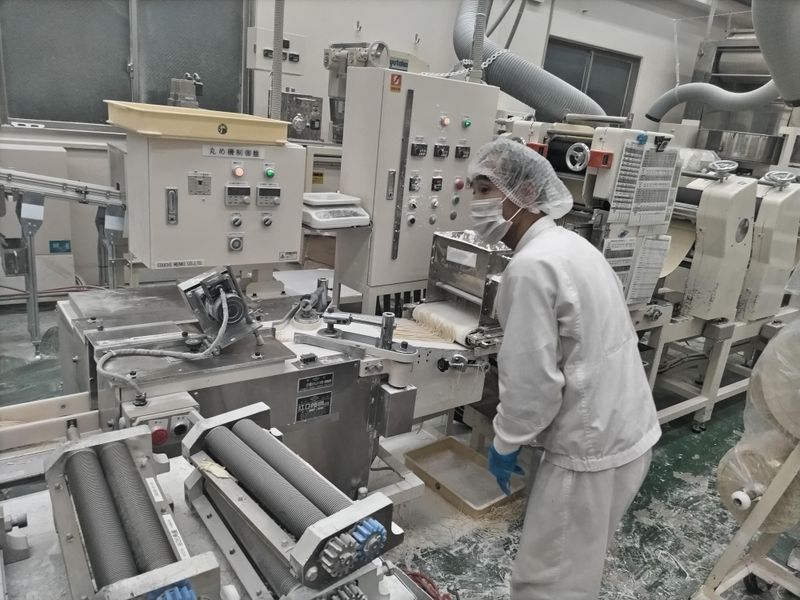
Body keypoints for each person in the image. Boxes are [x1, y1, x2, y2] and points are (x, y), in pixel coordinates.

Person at [469, 137, 661, 599]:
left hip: (588, 449)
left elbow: (532, 382)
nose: (475, 202)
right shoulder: (571, 245)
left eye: (485, 190)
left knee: (548, 582)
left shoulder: (532, 266)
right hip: (626, 431)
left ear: (523, 194)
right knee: (578, 566)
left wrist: (506, 441)